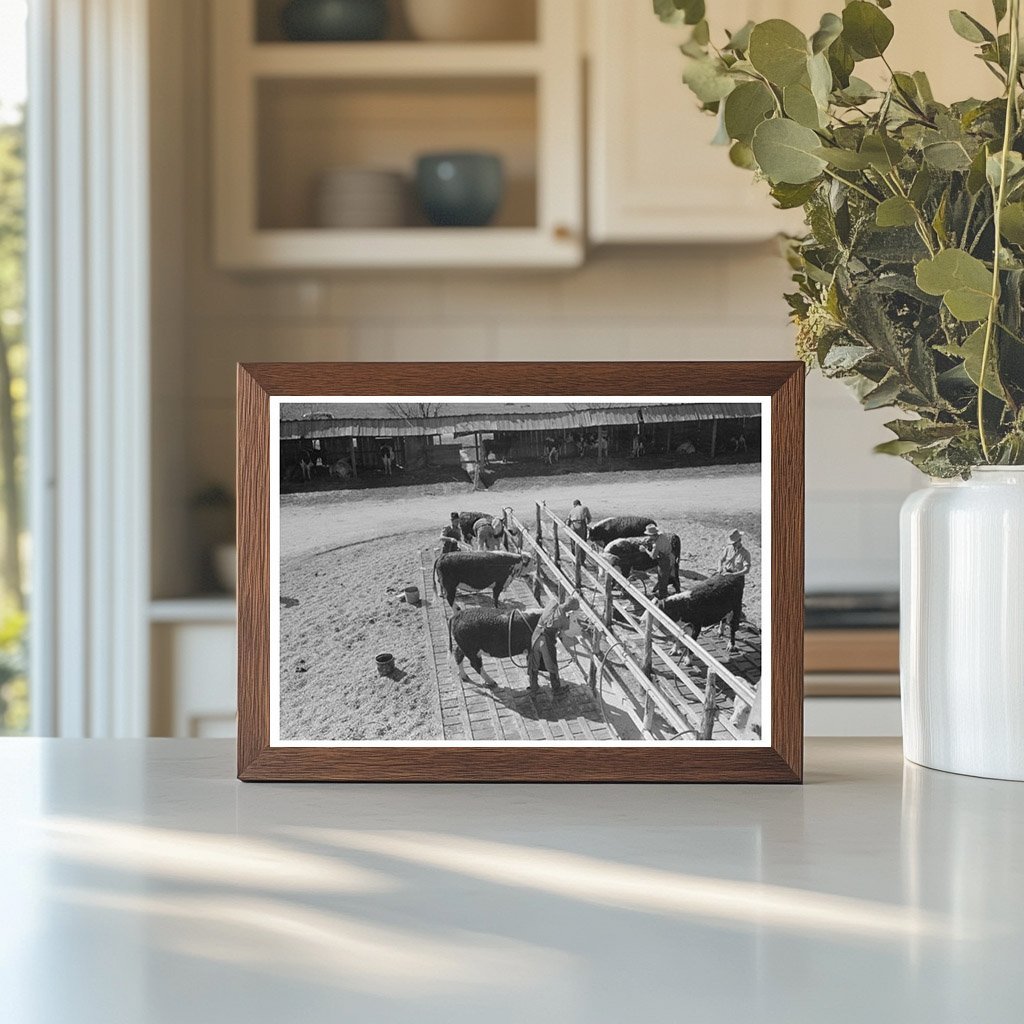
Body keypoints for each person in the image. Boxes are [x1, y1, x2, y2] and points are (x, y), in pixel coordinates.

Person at [528, 595, 580, 696]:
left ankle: (533, 686)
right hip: (546, 641)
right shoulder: (564, 620)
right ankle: (556, 689)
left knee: (534, 662)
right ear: (570, 609)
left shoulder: (552, 602)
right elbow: (564, 632)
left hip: (536, 635)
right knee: (552, 665)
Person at [642, 522, 676, 600]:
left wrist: (646, 550)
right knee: (665, 577)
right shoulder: (662, 536)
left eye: (649, 535)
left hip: (664, 561)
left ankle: (663, 597)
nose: (648, 536)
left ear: (652, 535)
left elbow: (653, 556)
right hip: (670, 557)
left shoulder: (656, 545)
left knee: (662, 579)